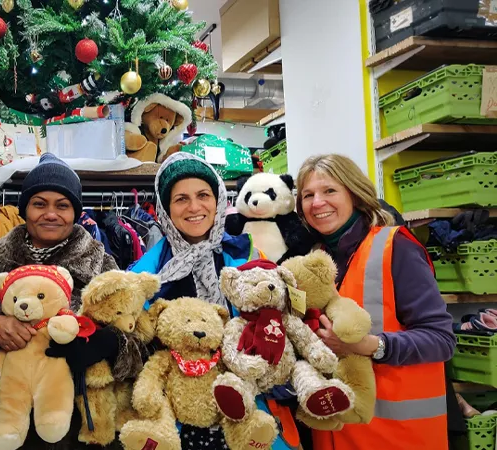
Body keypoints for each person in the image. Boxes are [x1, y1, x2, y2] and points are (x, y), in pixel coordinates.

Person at [129, 152, 300, 450]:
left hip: (247, 406)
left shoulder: (246, 256)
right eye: (181, 199)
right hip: (180, 418)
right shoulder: (146, 274)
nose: (194, 207)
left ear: (218, 199)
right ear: (165, 209)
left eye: (203, 195)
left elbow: (278, 323)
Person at [0, 153, 137, 449]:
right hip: (9, 418)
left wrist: (108, 343)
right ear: (24, 209)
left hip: (83, 419)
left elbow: (136, 336)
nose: (51, 214)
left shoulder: (100, 262)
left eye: (62, 205)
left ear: (75, 212)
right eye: (39, 204)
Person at [295, 154, 455, 450]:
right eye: (308, 195)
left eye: (329, 191)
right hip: (334, 435)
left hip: (397, 438)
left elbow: (441, 339)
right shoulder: (312, 261)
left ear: (355, 195)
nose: (317, 202)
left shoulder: (395, 247)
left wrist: (369, 346)